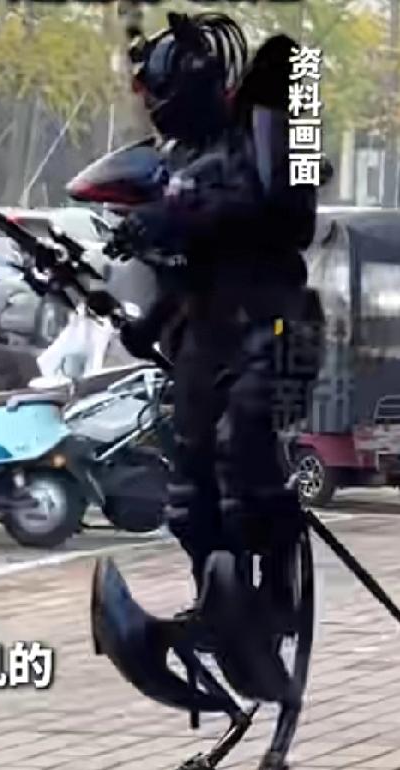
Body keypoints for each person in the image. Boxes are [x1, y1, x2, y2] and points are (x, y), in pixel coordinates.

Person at [107, 12, 319, 633]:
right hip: (205, 332)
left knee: (244, 462)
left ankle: (277, 597)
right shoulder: (178, 159)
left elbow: (280, 214)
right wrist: (149, 324)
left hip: (273, 323)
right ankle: (214, 606)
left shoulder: (270, 128)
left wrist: (176, 218)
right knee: (189, 494)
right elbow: (189, 272)